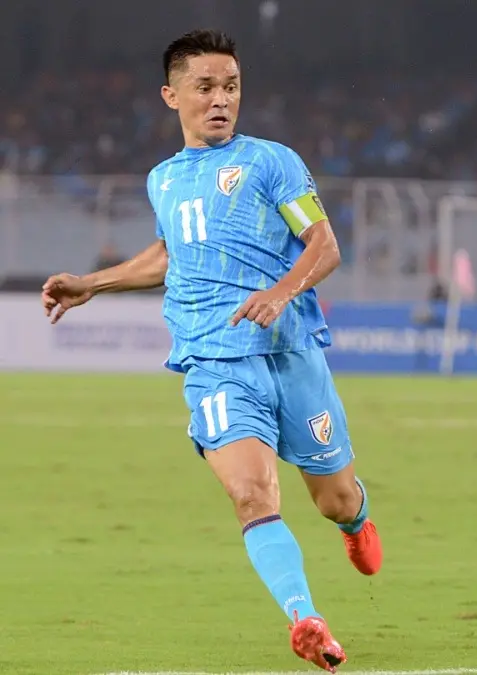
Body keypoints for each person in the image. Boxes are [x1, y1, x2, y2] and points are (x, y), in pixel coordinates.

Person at [40, 30, 382, 673]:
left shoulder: (272, 162)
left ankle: (355, 519)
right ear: (172, 96)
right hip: (213, 359)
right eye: (206, 87)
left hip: (290, 351)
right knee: (253, 494)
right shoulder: (162, 179)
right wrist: (94, 282)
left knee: (332, 498)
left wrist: (281, 294)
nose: (221, 99)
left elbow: (325, 246)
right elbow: (171, 254)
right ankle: (306, 619)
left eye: (231, 87)